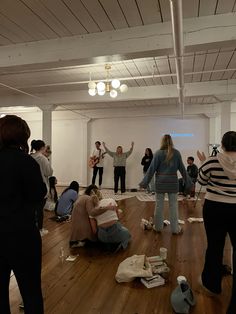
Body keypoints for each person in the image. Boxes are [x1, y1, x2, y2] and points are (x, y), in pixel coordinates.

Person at [0, 115, 47, 314]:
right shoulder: (25, 162)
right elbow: (39, 195)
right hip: (22, 235)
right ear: (22, 136)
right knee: (31, 292)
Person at [197, 131, 236, 314]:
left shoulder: (212, 161)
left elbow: (201, 180)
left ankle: (212, 285)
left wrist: (203, 161)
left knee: (214, 246)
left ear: (222, 144)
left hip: (214, 208)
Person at [139, 134, 192, 234]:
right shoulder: (176, 153)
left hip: (160, 183)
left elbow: (151, 170)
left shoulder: (158, 153)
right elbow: (183, 170)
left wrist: (144, 183)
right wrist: (189, 182)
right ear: (171, 141)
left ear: (162, 141)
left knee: (159, 205)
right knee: (173, 206)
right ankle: (175, 229)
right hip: (173, 183)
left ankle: (158, 227)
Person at [31, 139, 53, 236]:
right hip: (41, 186)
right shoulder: (42, 158)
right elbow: (49, 172)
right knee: (40, 210)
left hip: (31, 186)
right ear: (43, 147)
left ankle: (32, 228)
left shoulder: (31, 156)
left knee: (33, 209)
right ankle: (39, 230)